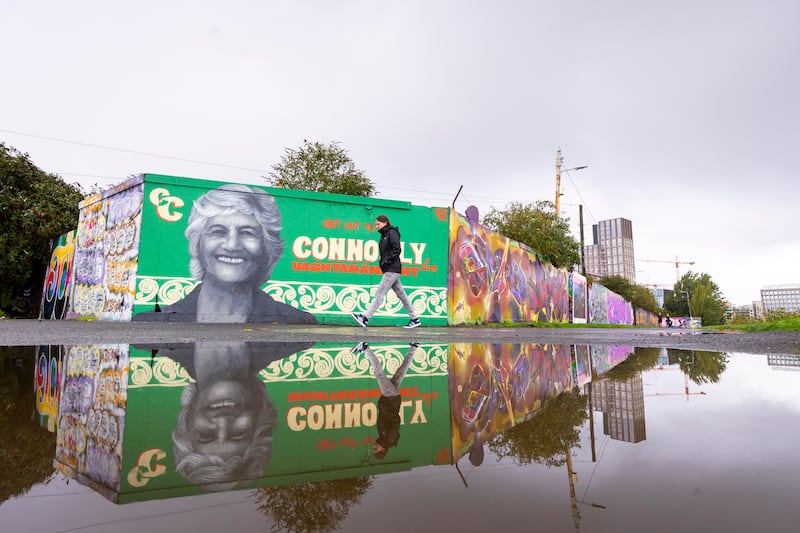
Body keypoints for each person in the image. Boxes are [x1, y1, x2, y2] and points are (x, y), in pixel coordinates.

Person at [134, 184, 316, 323]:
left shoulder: (296, 321)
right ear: (197, 244)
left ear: (266, 247)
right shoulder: (153, 321)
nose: (232, 245)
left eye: (247, 233)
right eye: (218, 231)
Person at [160, 340, 312, 491]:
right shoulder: (294, 339)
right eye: (238, 433)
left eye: (206, 434)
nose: (222, 420)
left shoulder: (157, 336)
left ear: (187, 419)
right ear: (261, 415)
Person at [351, 214, 420, 328]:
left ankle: (365, 318)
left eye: (378, 224)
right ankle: (415, 319)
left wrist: (386, 262)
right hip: (390, 268)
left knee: (380, 292)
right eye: (376, 224)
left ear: (385, 223)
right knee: (401, 294)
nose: (376, 226)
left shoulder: (392, 233)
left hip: (392, 269)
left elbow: (396, 249)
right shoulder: (384, 235)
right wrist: (383, 263)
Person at [351, 341, 418, 459]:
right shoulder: (389, 438)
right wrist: (385, 408)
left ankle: (414, 347)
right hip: (390, 397)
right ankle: (365, 348)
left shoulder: (383, 437)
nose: (374, 446)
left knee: (401, 371)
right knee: (379, 374)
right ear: (382, 449)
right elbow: (395, 421)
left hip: (392, 398)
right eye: (376, 449)